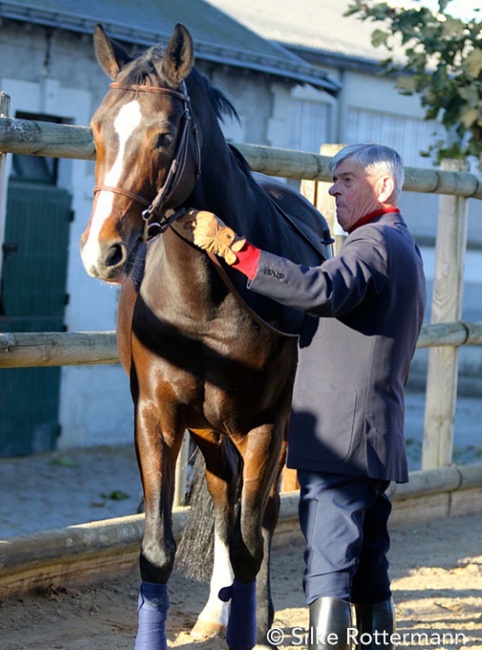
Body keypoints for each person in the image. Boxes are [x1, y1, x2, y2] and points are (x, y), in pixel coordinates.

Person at [181, 143, 426, 650]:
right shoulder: (402, 243)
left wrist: (237, 251)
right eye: (333, 180)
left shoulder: (371, 245)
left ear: (383, 187)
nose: (334, 189)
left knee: (329, 572)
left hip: (341, 437)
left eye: (347, 180)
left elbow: (319, 289)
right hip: (375, 435)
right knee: (368, 569)